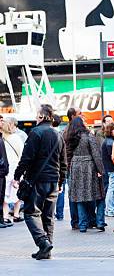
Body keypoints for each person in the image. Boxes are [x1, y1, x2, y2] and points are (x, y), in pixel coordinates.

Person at [13, 104, 67, 259]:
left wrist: (17, 176)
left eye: (37, 115)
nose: (36, 118)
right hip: (53, 181)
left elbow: (26, 158)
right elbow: (63, 162)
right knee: (48, 217)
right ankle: (46, 250)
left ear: (42, 116)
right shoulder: (58, 135)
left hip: (37, 180)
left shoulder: (36, 133)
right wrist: (61, 182)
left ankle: (43, 243)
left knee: (30, 213)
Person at [67, 117, 105, 232]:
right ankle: (98, 222)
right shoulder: (88, 136)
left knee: (79, 197)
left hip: (75, 167)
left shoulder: (70, 138)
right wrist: (101, 170)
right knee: (97, 194)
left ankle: (82, 225)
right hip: (89, 167)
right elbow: (96, 154)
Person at [2, 117, 25, 223]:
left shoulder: (2, 138)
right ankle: (16, 214)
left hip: (5, 168)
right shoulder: (16, 138)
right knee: (17, 190)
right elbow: (22, 155)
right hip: (16, 168)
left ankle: (5, 216)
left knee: (5, 192)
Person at [62, 107, 82, 229]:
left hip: (71, 166)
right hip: (73, 166)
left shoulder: (67, 130)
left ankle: (76, 220)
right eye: (80, 114)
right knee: (76, 194)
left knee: (74, 194)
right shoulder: (71, 130)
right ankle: (77, 220)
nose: (82, 115)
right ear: (73, 116)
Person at [101, 122, 114, 217]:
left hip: (110, 168)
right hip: (113, 168)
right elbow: (113, 157)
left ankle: (110, 208)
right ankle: (110, 209)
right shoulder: (110, 142)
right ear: (111, 130)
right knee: (112, 188)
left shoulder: (109, 140)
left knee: (112, 188)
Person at [0, 125, 10, 229]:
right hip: (1, 172)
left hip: (2, 173)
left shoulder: (1, 138)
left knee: (1, 197)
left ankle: (1, 219)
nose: (2, 123)